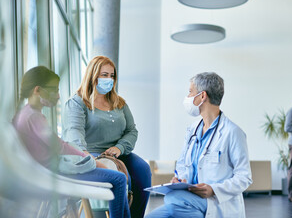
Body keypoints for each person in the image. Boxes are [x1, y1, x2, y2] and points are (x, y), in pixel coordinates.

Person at [12, 66, 130, 218]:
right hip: (56, 173)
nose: (58, 96)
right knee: (119, 178)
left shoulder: (24, 114)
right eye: (54, 90)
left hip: (48, 171)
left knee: (117, 178)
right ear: (37, 90)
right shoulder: (33, 117)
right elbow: (60, 146)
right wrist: (92, 160)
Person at [145, 72, 252, 218]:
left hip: (216, 202)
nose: (187, 97)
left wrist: (213, 189)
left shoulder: (232, 132)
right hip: (190, 199)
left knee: (173, 199)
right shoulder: (192, 130)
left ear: (202, 96)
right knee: (165, 205)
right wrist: (181, 180)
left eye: (190, 92)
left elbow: (244, 177)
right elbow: (182, 164)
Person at [63, 55, 151, 218]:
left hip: (118, 152)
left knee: (143, 170)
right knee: (124, 178)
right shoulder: (78, 103)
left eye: (112, 76)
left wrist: (120, 148)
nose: (109, 79)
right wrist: (87, 157)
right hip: (92, 153)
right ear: (93, 75)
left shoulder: (119, 102)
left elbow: (132, 131)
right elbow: (74, 134)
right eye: (104, 75)